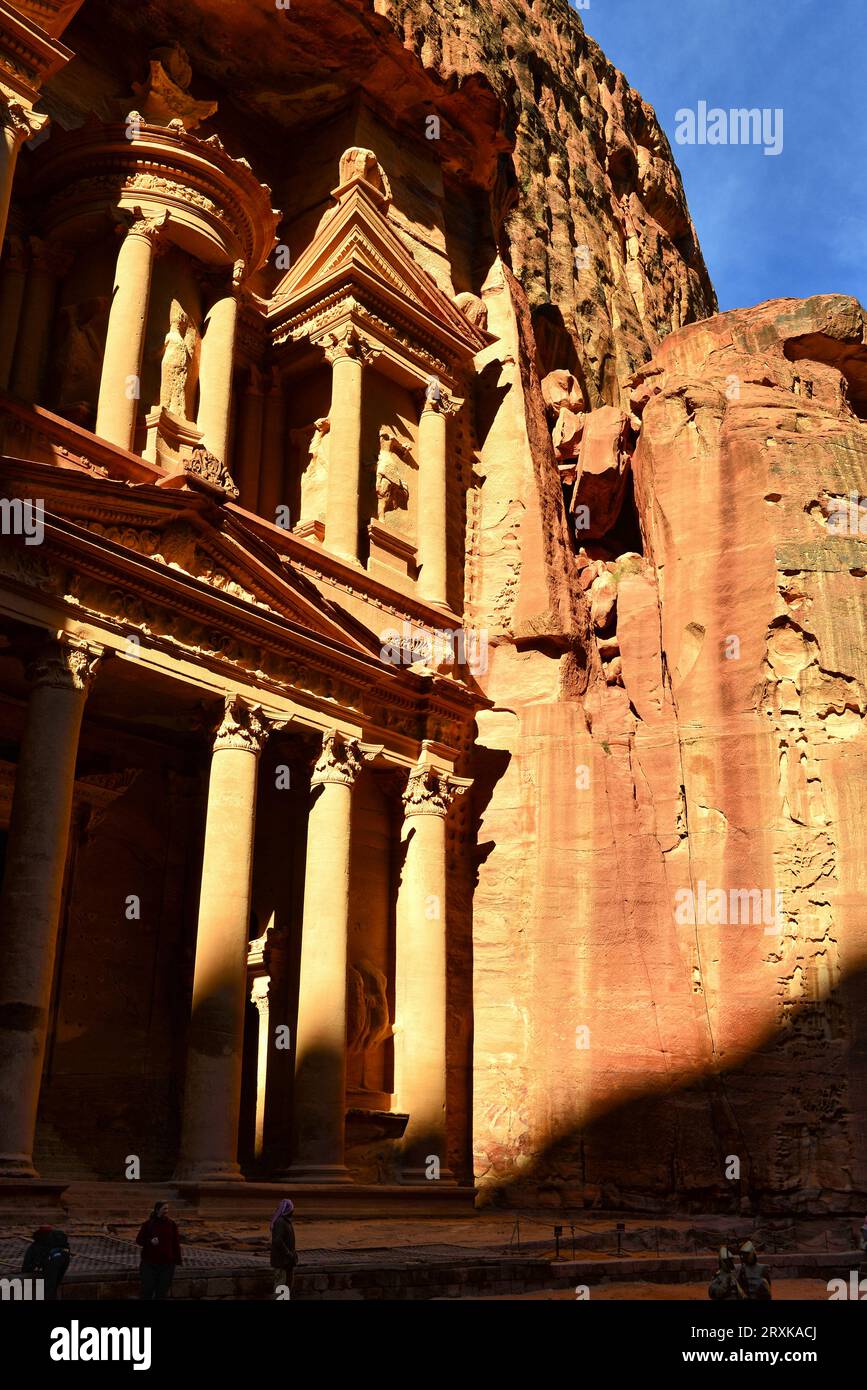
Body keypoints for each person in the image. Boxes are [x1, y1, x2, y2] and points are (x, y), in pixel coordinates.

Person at [136, 1200, 182, 1300]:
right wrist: (150, 1241)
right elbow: (139, 1240)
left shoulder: (171, 1224)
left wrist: (177, 1260)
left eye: (167, 1208)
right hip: (149, 1263)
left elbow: (175, 1243)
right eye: (164, 1208)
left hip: (167, 1265)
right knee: (147, 1291)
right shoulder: (148, 1224)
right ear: (157, 1210)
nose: (167, 1211)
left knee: (162, 1293)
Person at [21, 1226, 71, 1301]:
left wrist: (31, 1269)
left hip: (53, 1262)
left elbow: (27, 1266)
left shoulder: (36, 1245)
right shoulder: (58, 1239)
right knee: (54, 1286)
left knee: (48, 1289)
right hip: (65, 1258)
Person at [270, 1198, 297, 1298]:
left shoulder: (286, 1222)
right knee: (280, 1288)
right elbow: (278, 1241)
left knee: (286, 1288)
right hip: (281, 1262)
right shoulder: (281, 1222)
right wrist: (288, 1253)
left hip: (287, 1261)